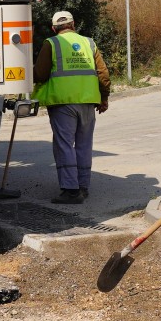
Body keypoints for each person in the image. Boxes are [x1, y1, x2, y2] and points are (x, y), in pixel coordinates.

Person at [32, 10, 109, 205]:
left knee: (64, 145)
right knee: (84, 145)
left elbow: (40, 74)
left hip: (63, 102)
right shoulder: (89, 43)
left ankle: (70, 190)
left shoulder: (51, 43)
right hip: (88, 102)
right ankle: (83, 187)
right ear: (73, 25)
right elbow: (103, 74)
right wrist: (104, 97)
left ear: (53, 28)